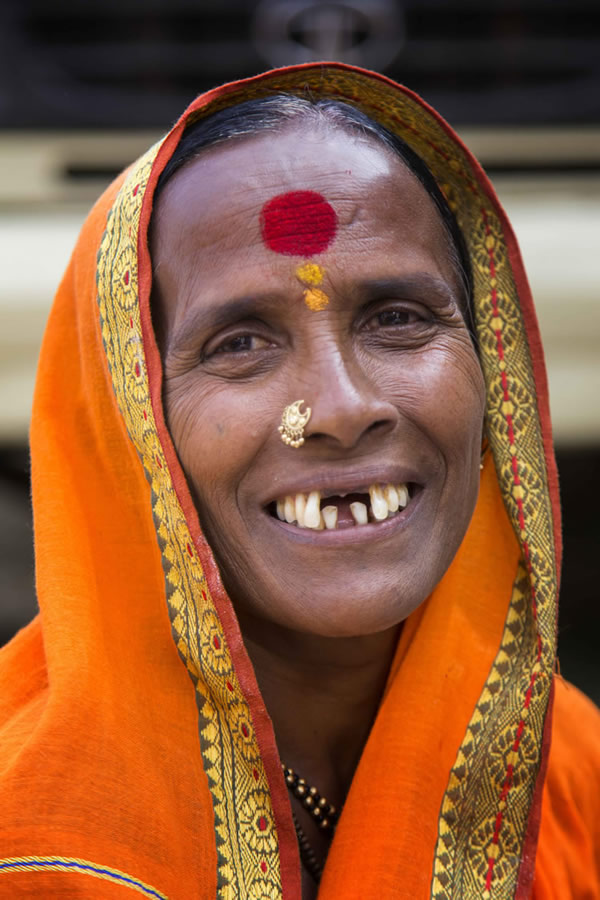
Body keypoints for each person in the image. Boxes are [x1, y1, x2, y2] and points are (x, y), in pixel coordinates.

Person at [0, 62, 598, 900]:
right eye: (239, 343)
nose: (343, 409)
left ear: (493, 360)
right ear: (129, 419)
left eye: (398, 318)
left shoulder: (564, 770)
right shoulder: (30, 841)